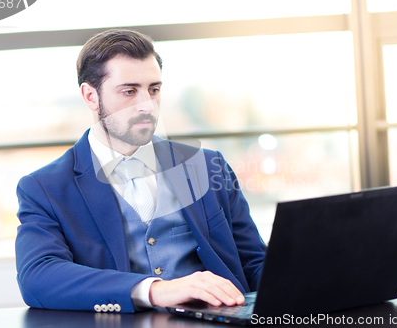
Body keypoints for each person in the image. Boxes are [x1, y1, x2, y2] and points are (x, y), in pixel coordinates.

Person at [15, 29, 266, 314]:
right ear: (90, 96)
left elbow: (253, 262)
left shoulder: (207, 166)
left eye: (154, 89)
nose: (147, 104)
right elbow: (38, 277)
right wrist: (155, 290)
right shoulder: (44, 187)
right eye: (129, 91)